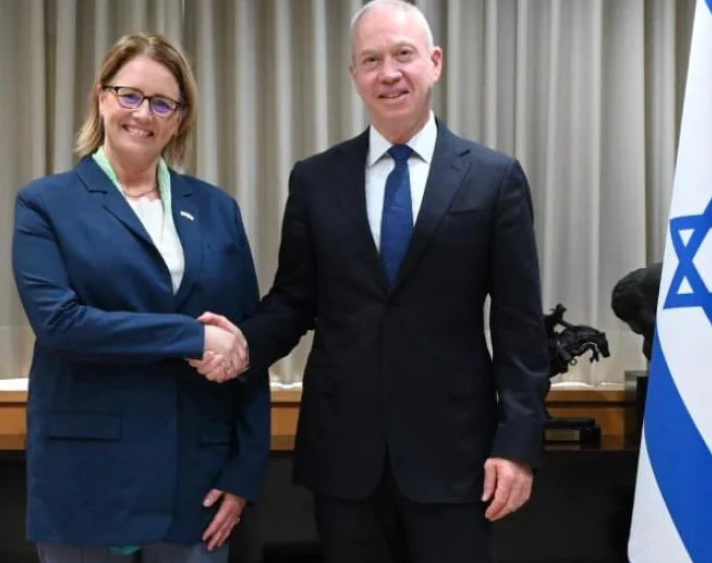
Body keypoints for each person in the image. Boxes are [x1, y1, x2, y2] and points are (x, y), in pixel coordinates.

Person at [194, 1, 549, 561]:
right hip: (344, 460)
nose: (389, 72)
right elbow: (294, 302)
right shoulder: (315, 180)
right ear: (355, 75)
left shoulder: (493, 178)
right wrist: (237, 345)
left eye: (403, 55)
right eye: (371, 59)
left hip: (457, 459)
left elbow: (519, 326)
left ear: (434, 62)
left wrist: (519, 443)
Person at [11, 32, 269, 563]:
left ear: (179, 118)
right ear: (102, 99)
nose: (142, 114)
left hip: (195, 485)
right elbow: (61, 324)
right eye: (129, 95)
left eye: (162, 103)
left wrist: (244, 475)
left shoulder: (218, 210)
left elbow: (245, 341)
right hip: (87, 482)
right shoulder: (46, 205)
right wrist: (193, 337)